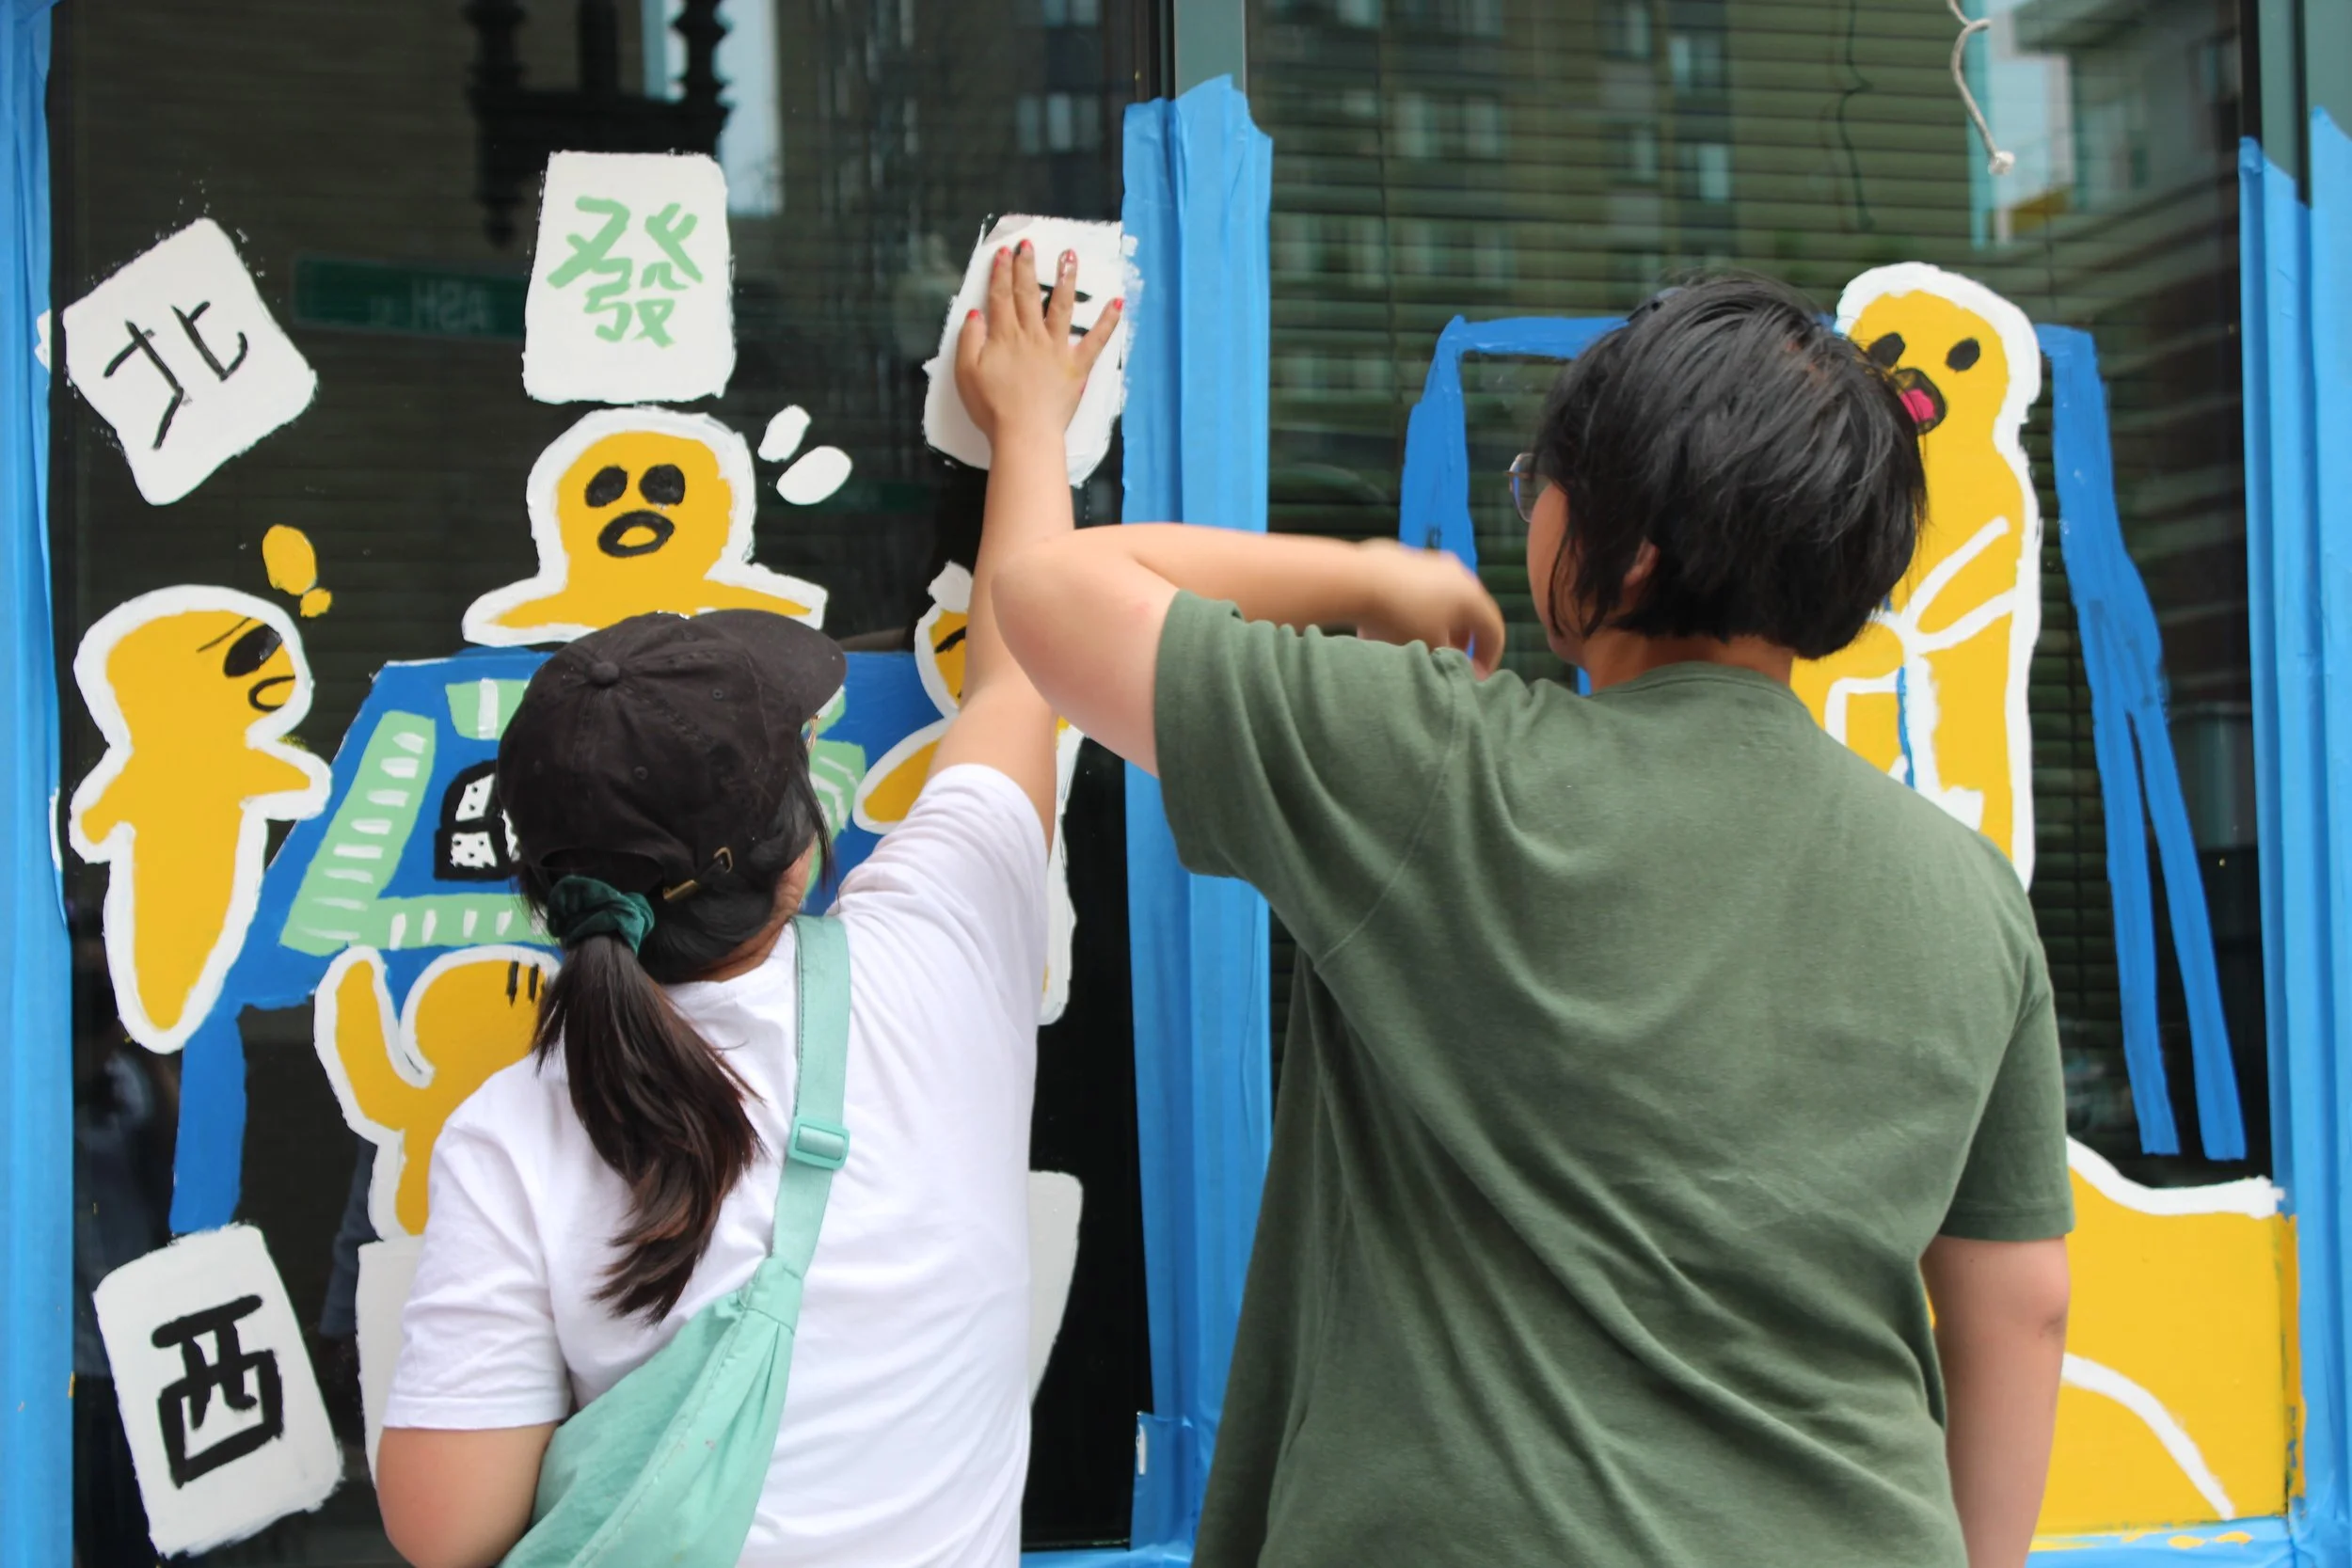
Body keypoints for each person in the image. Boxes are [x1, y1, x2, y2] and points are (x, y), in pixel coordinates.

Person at [995, 277, 2073, 1568]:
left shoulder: (1437, 766)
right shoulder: (1967, 893)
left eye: (1536, 484)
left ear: (1632, 543)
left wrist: (1366, 578)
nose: (1529, 514)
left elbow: (1050, 591)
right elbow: (2023, 1306)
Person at [374, 239, 1119, 1568]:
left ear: (542, 887)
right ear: (802, 852)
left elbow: (446, 1533)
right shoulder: (937, 962)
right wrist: (1029, 424)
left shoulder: (514, 1134)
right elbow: (1022, 675)